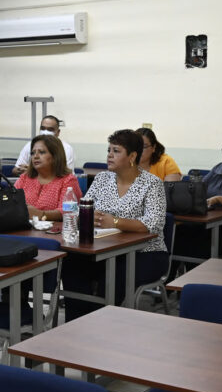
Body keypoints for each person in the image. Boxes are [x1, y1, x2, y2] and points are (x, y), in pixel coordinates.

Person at [61, 130, 167, 321]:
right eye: (108, 150)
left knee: (112, 274)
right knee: (71, 265)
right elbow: (81, 209)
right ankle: (76, 323)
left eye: (116, 151)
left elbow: (154, 223)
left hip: (144, 253)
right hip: (101, 248)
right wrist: (87, 216)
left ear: (133, 156)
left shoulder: (152, 184)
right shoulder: (102, 179)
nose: (109, 155)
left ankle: (101, 324)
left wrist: (115, 222)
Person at [13, 134, 81, 220]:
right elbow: (12, 203)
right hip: (23, 229)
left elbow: (67, 212)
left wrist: (41, 214)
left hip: (53, 231)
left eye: (42, 152)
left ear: (55, 156)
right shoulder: (25, 178)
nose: (36, 156)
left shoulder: (68, 180)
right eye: (33, 153)